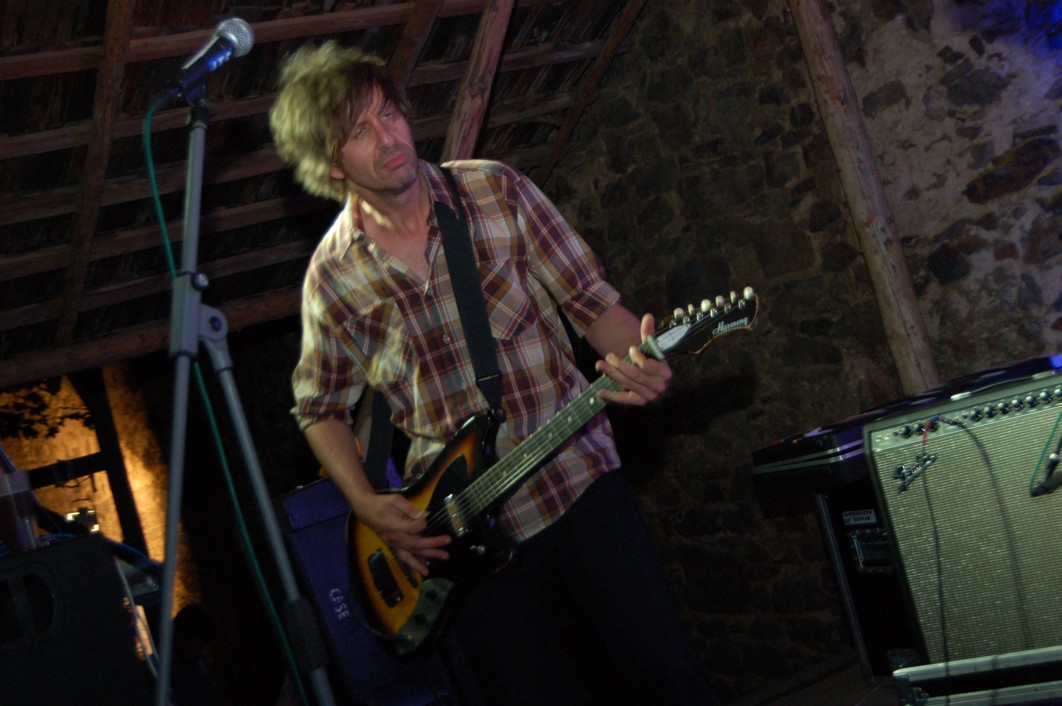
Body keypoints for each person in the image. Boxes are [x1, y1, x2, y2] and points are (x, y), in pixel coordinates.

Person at [269, 41, 716, 706]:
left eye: (389, 113)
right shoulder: (331, 279)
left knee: (667, 679)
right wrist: (364, 502)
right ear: (331, 164)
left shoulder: (496, 190)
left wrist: (644, 359)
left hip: (579, 487)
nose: (389, 138)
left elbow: (595, 308)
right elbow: (318, 409)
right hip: (464, 540)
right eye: (359, 131)